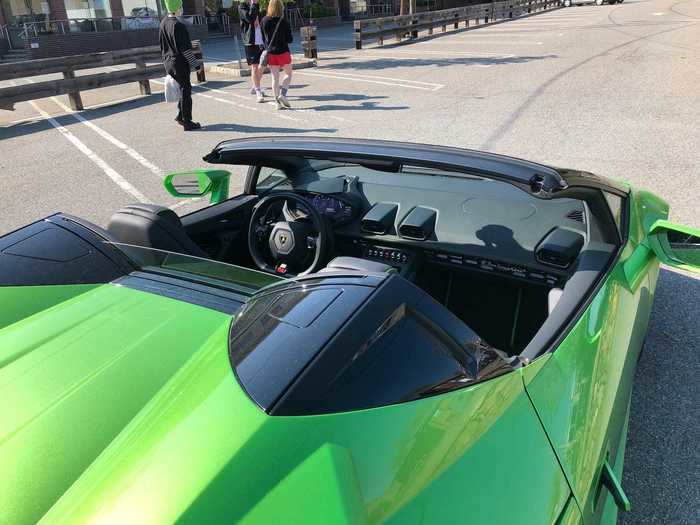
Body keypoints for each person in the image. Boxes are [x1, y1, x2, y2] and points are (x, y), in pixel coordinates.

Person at [159, 0, 202, 131]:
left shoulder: (163, 22)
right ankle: (187, 121)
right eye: (181, 6)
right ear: (177, 7)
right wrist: (196, 65)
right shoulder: (178, 25)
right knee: (185, 90)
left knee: (181, 89)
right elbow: (185, 50)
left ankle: (180, 115)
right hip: (179, 63)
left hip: (168, 61)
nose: (182, 8)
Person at [261, 0, 293, 110]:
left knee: (275, 78)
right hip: (283, 51)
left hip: (271, 52)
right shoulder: (284, 21)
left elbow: (263, 37)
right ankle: (283, 95)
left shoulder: (264, 20)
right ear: (281, 7)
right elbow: (290, 39)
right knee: (288, 74)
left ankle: (277, 102)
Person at [239, 0, 266, 102]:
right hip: (250, 41)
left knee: (263, 64)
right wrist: (254, 4)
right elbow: (250, 18)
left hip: (261, 40)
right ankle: (258, 91)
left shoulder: (257, 5)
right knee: (254, 66)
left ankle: (255, 85)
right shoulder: (243, 6)